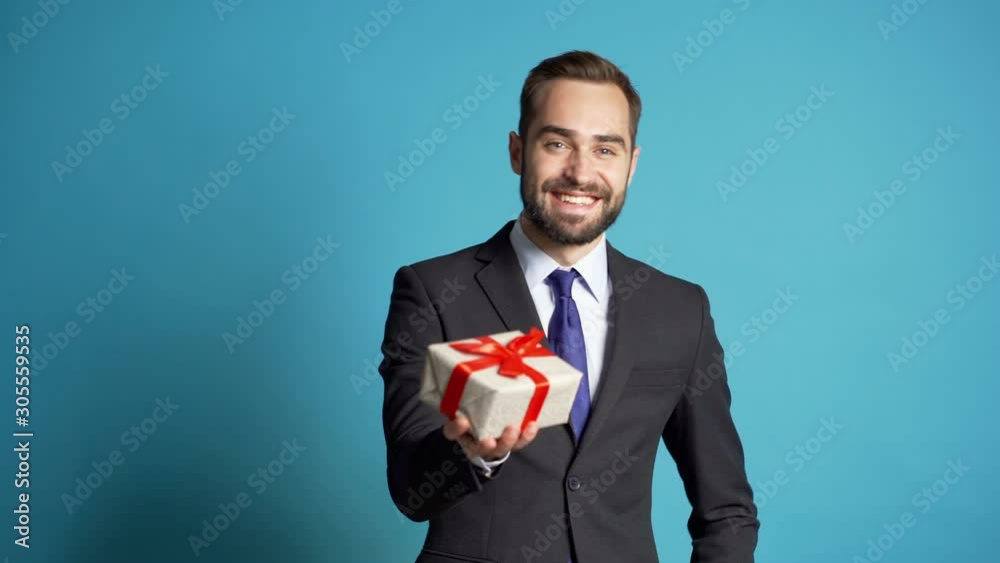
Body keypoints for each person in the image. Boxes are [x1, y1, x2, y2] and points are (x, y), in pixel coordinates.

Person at [378, 50, 759, 563]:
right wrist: (470, 451)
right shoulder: (434, 291)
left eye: (606, 149)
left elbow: (726, 510)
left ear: (632, 165)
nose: (580, 173)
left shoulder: (680, 310)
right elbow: (409, 488)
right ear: (517, 152)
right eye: (557, 143)